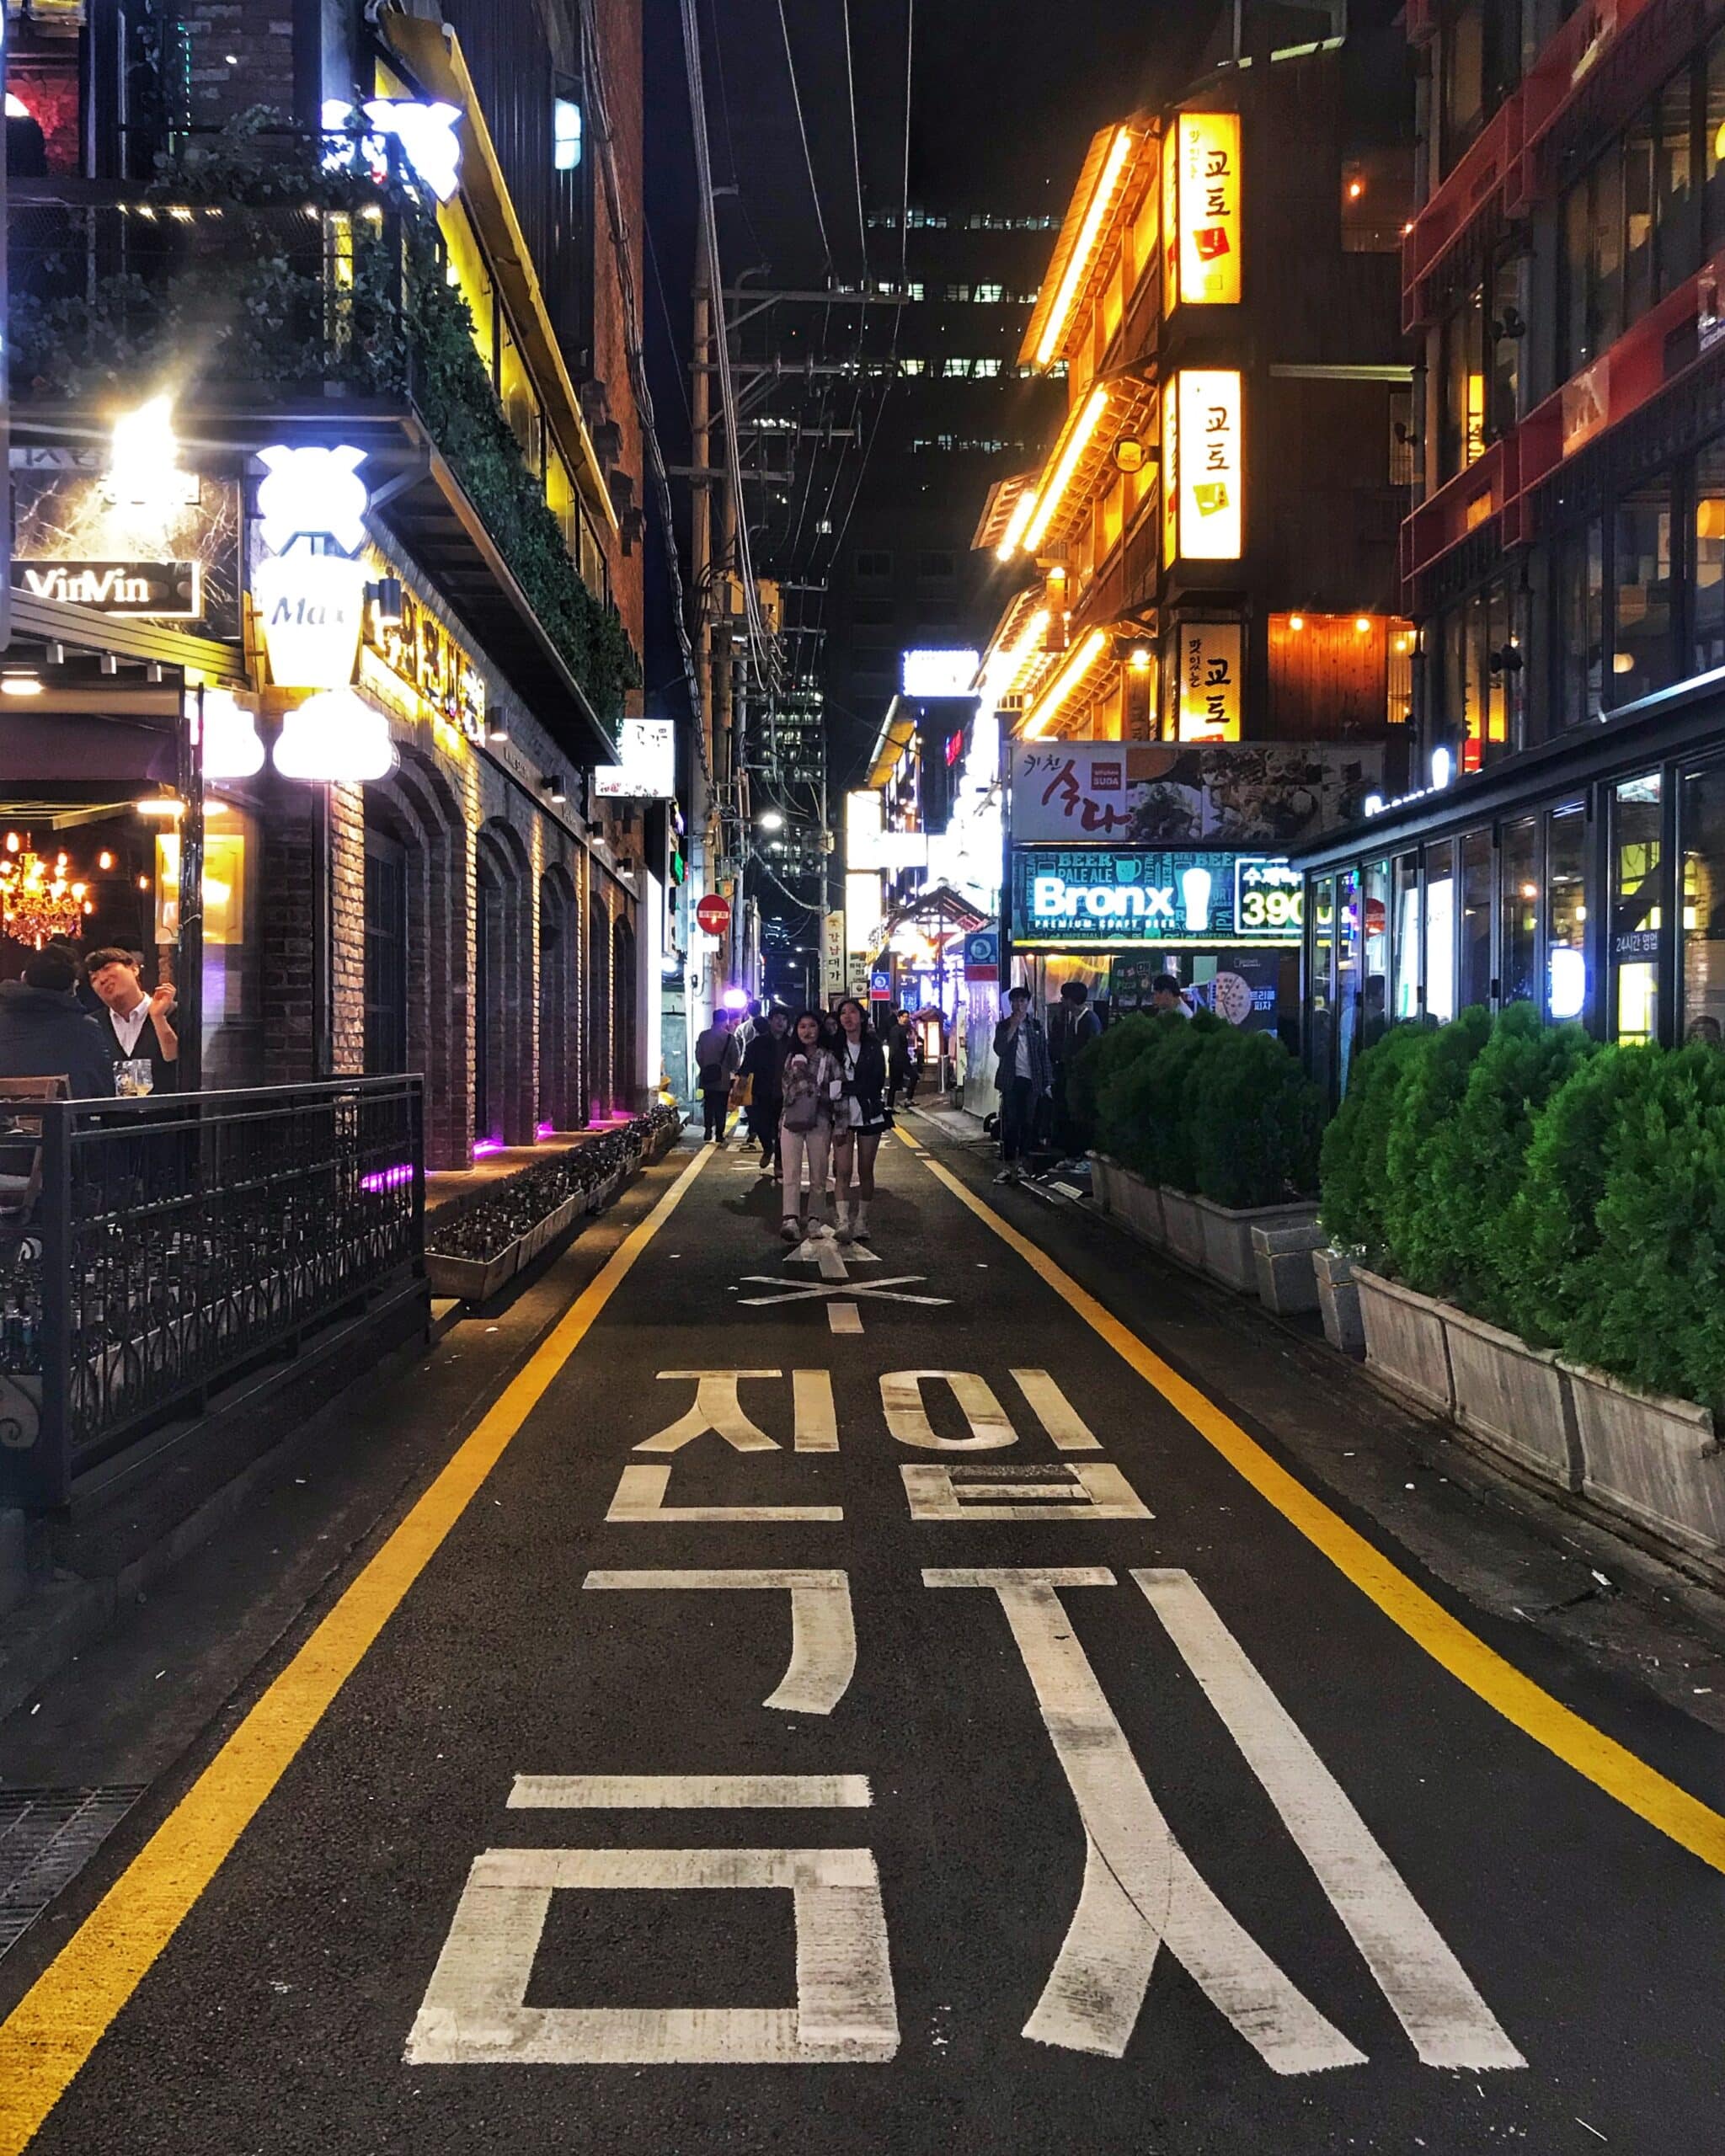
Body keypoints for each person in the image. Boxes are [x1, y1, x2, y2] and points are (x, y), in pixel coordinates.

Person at [0, 948, 117, 1098]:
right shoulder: (85, 1029)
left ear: (24, 977)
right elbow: (104, 1091)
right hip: (67, 1121)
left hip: (6, 1120)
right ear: (73, 988)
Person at [777, 1010, 842, 1241]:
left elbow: (837, 1090)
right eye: (802, 1026)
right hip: (792, 1118)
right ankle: (790, 1219)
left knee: (818, 1172)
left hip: (820, 1119)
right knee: (791, 1171)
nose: (807, 1031)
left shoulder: (829, 1058)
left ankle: (815, 1219)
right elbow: (787, 1091)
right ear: (796, 1031)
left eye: (812, 1026)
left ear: (819, 1029)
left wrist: (807, 1082)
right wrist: (804, 1078)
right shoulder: (790, 1057)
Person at [832, 995, 889, 1244]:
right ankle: (843, 1221)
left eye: (852, 1012)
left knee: (866, 1169)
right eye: (843, 1013)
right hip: (842, 1114)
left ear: (862, 1017)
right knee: (842, 1170)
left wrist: (847, 1087)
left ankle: (862, 1221)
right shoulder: (835, 1046)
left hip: (869, 1112)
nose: (847, 1016)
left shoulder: (873, 1045)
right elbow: (829, 1081)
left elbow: (877, 1081)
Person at [86, 946, 179, 1091]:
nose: (102, 979)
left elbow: (177, 1060)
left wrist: (158, 1017)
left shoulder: (171, 1011)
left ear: (134, 969)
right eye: (94, 978)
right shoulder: (93, 1025)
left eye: (107, 968)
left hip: (167, 1112)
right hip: (114, 1113)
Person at [992, 984, 1051, 1183]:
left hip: (1032, 1081)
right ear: (1010, 1003)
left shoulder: (1035, 1026)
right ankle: (1009, 1165)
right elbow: (999, 1049)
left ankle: (1024, 1164)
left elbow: (1044, 1055)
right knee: (1011, 1124)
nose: (1019, 1005)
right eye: (1015, 1001)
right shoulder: (1003, 1025)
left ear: (1028, 1003)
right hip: (1011, 1081)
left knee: (1029, 1123)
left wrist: (1047, 1082)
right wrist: (1013, 1026)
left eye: (1022, 1001)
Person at [1050, 978, 1103, 1161]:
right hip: (1073, 1079)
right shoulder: (1071, 1020)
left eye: (1064, 998)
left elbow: (1092, 1051)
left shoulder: (1090, 1020)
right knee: (1072, 1116)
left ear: (1071, 1000)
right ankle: (1074, 1155)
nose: (1062, 1002)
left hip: (1084, 1081)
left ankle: (1083, 1157)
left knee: (1083, 1119)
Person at [741, 1005, 793, 1176]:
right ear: (770, 1021)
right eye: (777, 1018)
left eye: (784, 1019)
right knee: (760, 1125)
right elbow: (746, 1066)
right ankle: (767, 1148)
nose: (780, 1022)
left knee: (781, 1130)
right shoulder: (757, 1044)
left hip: (785, 1095)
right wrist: (740, 1085)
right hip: (762, 1092)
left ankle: (779, 1161)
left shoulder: (792, 1044)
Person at [693, 1010, 741, 1144]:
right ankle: (719, 1133)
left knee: (708, 1104)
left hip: (707, 1077)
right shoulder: (729, 1038)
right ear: (725, 1020)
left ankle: (708, 1131)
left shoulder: (703, 1036)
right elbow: (735, 1059)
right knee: (721, 1106)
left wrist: (705, 1067)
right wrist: (730, 1069)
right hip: (723, 1078)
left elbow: (698, 1055)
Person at [884, 1006, 911, 1109]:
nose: (906, 1019)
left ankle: (892, 1105)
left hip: (900, 1059)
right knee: (894, 1084)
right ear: (899, 1017)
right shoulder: (895, 1030)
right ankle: (890, 1105)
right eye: (904, 1017)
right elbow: (896, 1046)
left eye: (907, 1017)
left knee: (895, 1084)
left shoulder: (904, 1029)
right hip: (897, 1060)